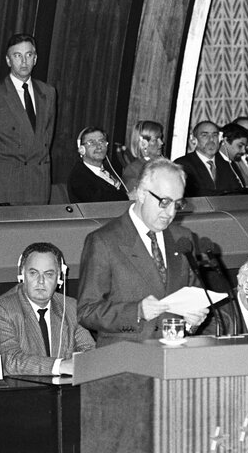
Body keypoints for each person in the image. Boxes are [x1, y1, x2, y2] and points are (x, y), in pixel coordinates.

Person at [77, 158, 209, 347]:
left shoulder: (183, 238)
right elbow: (86, 312)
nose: (171, 213)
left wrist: (192, 321)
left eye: (178, 204)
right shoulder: (103, 241)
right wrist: (136, 312)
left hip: (174, 359)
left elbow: (192, 297)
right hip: (125, 361)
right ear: (141, 193)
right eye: (164, 202)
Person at [0, 243, 95, 375]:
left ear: (59, 278)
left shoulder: (71, 308)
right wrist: (60, 366)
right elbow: (10, 361)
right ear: (22, 275)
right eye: (33, 273)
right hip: (14, 392)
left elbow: (89, 351)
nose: (41, 281)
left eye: (49, 274)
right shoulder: (0, 310)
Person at [0, 33, 56, 205]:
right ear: (8, 60)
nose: (24, 61)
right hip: (7, 184)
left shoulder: (48, 93)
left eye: (29, 55)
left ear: (35, 59)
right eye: (17, 56)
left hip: (39, 182)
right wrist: (4, 169)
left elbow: (46, 138)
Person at [174, 120, 241, 197]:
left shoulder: (227, 165)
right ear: (194, 140)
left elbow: (237, 193)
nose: (211, 140)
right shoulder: (182, 164)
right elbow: (191, 194)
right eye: (205, 135)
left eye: (215, 135)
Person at [67, 127, 128, 203]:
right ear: (82, 149)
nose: (99, 146)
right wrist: (127, 197)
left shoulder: (108, 169)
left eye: (101, 141)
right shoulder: (79, 177)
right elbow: (100, 202)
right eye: (92, 142)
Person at [122, 120, 165, 197]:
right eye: (155, 140)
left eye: (160, 138)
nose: (161, 143)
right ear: (143, 144)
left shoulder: (165, 163)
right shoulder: (133, 170)